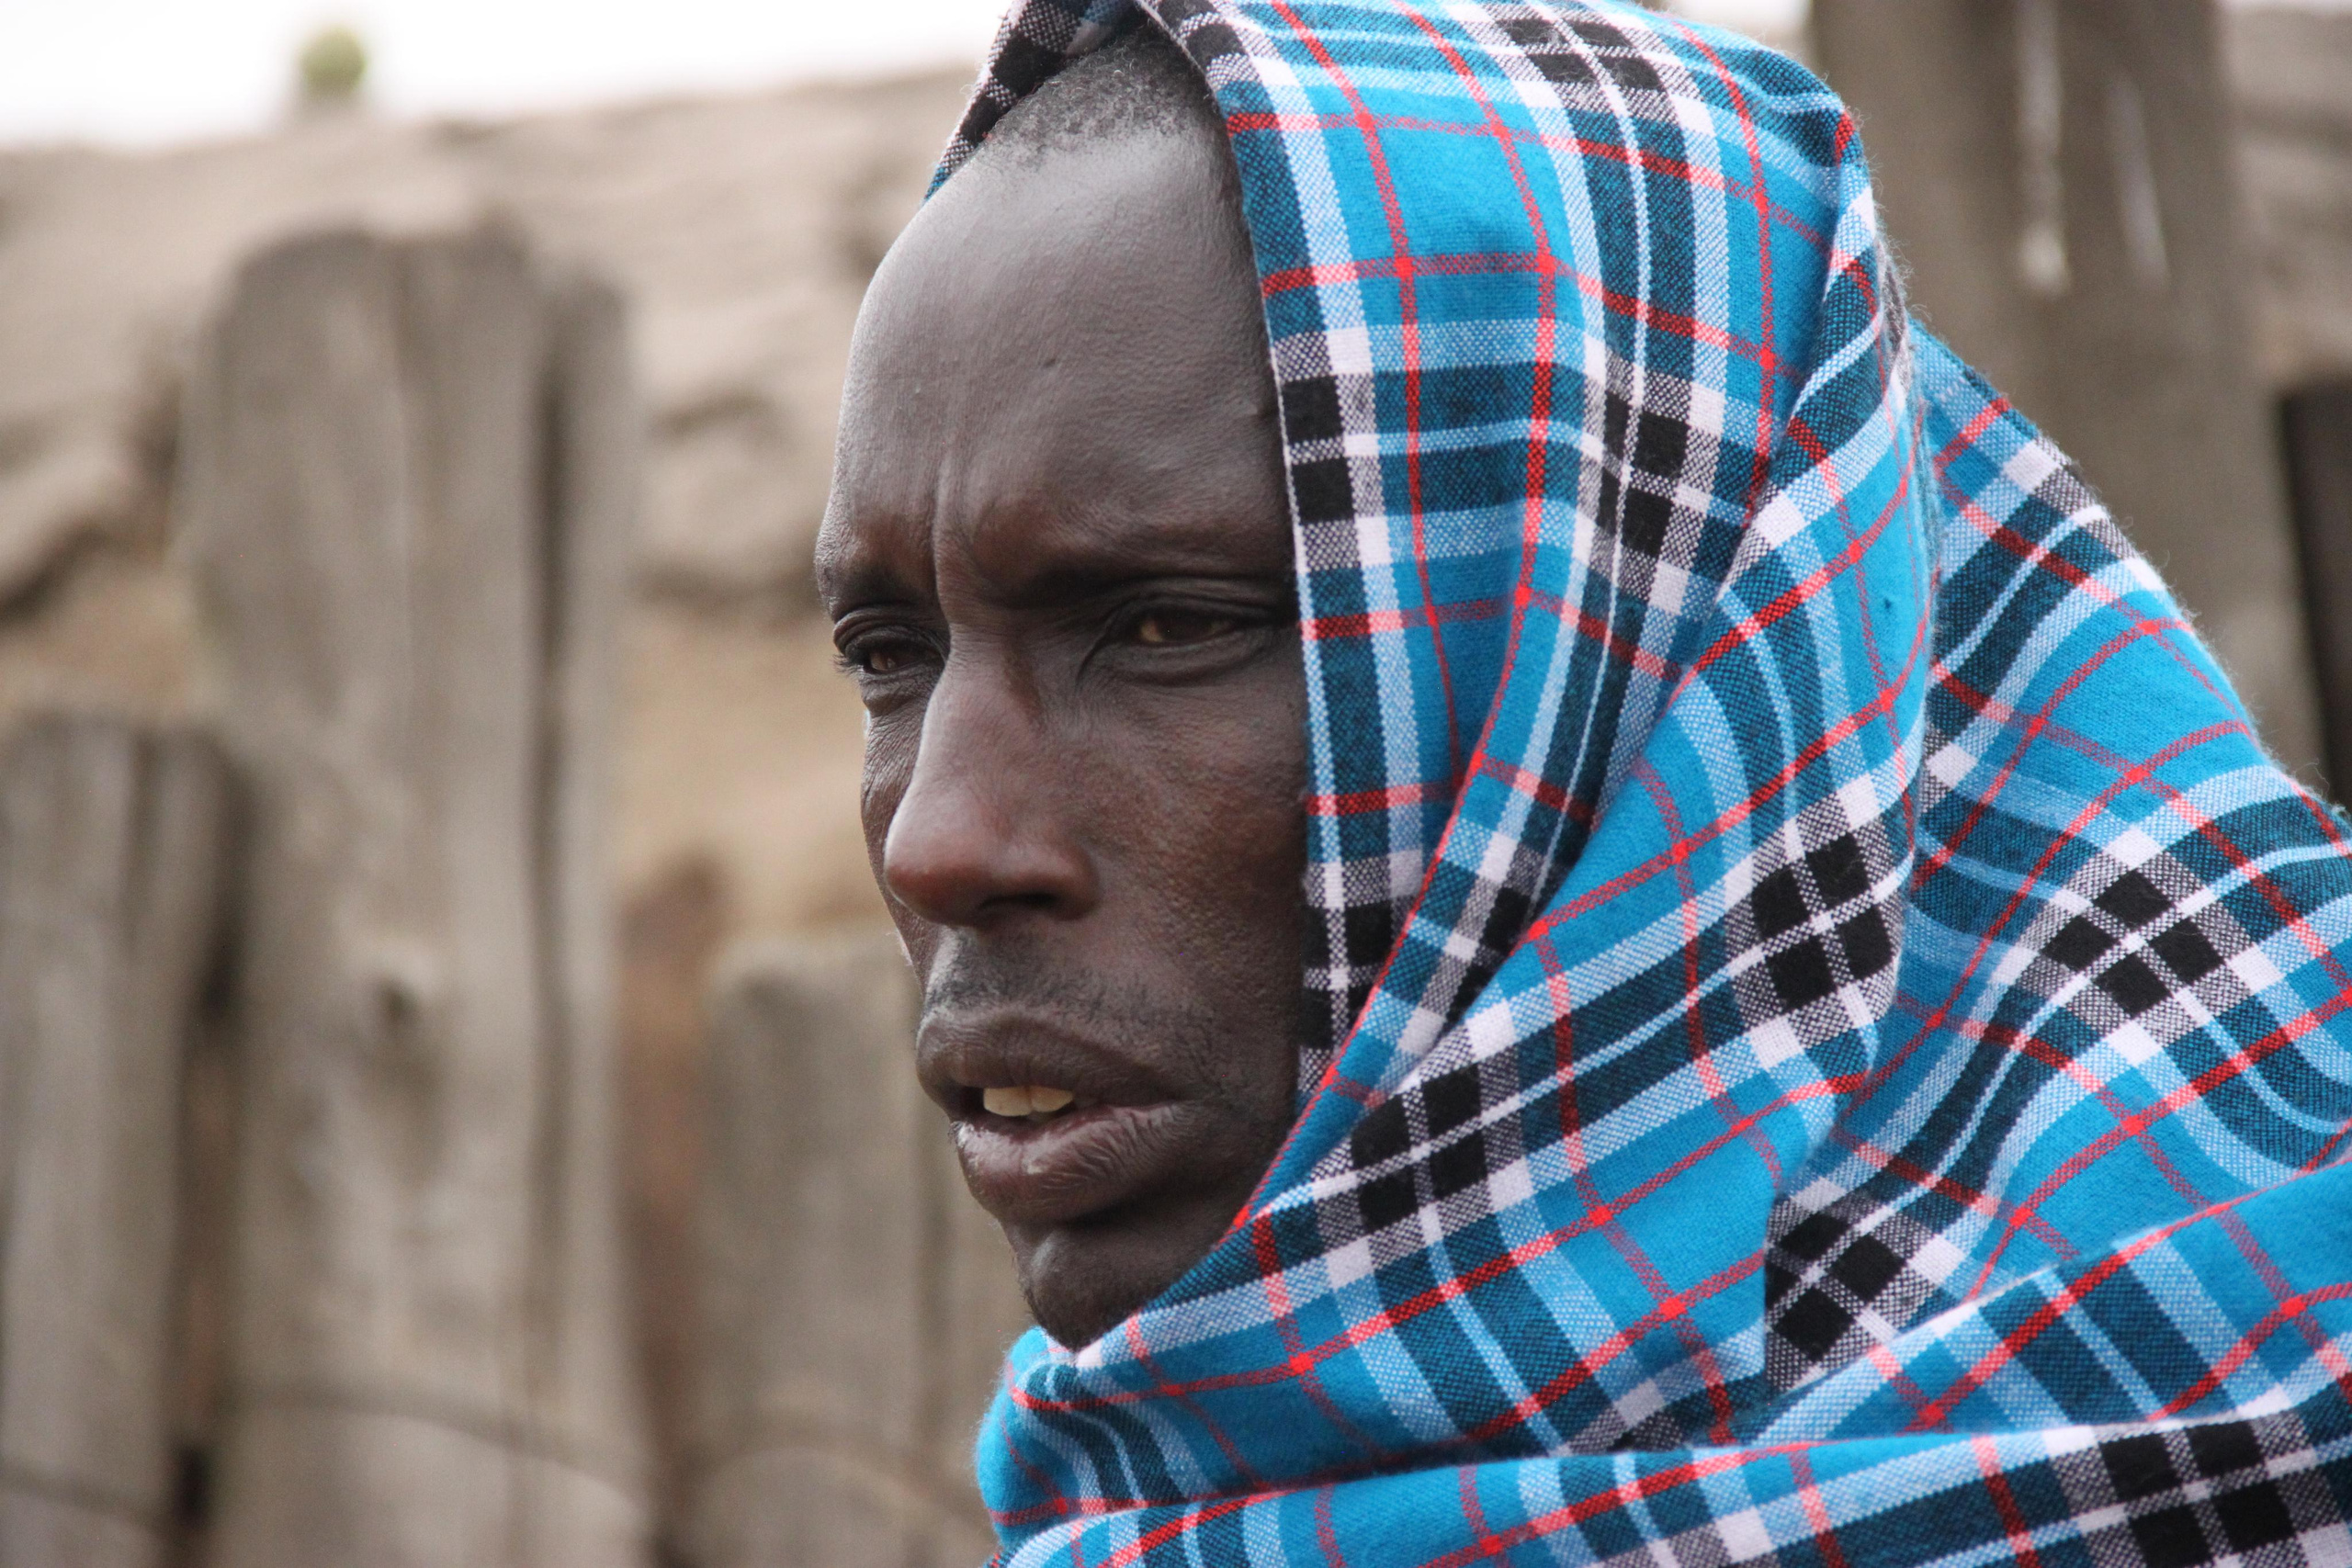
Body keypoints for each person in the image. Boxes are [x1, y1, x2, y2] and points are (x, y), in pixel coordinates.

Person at [815, 4, 2352, 1563]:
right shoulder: (1157, 1506)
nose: (939, 843)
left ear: (1651, 676)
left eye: (1164, 626)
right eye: (890, 655)